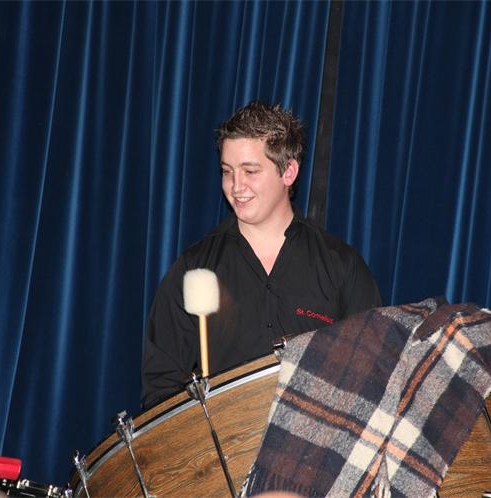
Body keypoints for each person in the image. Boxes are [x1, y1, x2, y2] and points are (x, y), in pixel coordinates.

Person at [141, 101, 381, 409]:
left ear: (288, 172)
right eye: (227, 172)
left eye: (250, 171)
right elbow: (160, 391)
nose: (235, 186)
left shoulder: (342, 267)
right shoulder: (194, 268)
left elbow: (374, 376)